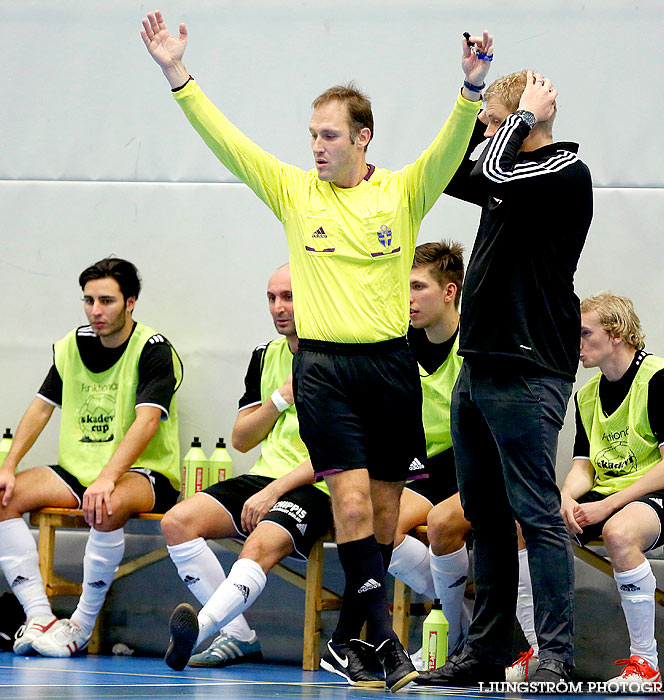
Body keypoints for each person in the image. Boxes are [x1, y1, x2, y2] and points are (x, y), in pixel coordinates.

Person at [140, 10, 493, 692]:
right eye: (312, 135)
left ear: (363, 138)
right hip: (327, 371)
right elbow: (228, 142)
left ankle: (352, 641)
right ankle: (385, 640)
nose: (317, 147)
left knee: (385, 517)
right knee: (353, 507)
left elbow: (449, 148)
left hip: (392, 369)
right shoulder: (295, 193)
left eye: (329, 136)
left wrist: (470, 91)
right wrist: (175, 72)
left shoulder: (402, 191)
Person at [416, 69, 593, 687]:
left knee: (534, 513)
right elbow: (456, 167)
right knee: (483, 514)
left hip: (528, 368)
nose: (488, 135)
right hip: (479, 363)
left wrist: (522, 117)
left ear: (528, 123)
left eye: (496, 123)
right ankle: (488, 648)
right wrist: (470, 93)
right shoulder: (504, 174)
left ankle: (556, 657)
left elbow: (494, 168)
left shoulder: (562, 173)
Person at [0, 257, 182, 657]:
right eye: (88, 301)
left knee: (106, 504)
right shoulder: (72, 345)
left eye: (107, 301)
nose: (96, 311)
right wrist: (9, 467)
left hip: (143, 473)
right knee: (3, 498)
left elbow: (148, 422)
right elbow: (41, 407)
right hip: (79, 470)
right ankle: (40, 618)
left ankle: (80, 627)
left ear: (131, 302)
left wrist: (107, 478)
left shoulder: (154, 349)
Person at [161, 264, 333, 673]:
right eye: (272, 298)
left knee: (259, 544)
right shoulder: (266, 355)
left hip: (319, 484)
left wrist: (275, 492)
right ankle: (238, 636)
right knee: (177, 522)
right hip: (265, 478)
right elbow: (241, 438)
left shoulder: (338, 357)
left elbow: (337, 451)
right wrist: (281, 397)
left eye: (288, 297)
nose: (278, 307)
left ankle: (199, 629)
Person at [561, 292, 664, 690]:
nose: (574, 343)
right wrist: (565, 498)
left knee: (619, 532)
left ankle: (646, 665)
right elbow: (583, 466)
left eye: (584, 333)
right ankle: (539, 656)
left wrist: (605, 506)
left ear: (617, 334)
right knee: (529, 527)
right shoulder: (588, 395)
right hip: (615, 495)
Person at [386, 241, 471, 662]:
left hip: (477, 468)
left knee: (441, 524)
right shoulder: (399, 342)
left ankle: (451, 637)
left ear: (449, 291)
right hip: (427, 468)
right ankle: (461, 615)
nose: (408, 299)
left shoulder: (477, 340)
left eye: (418, 287)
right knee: (373, 523)